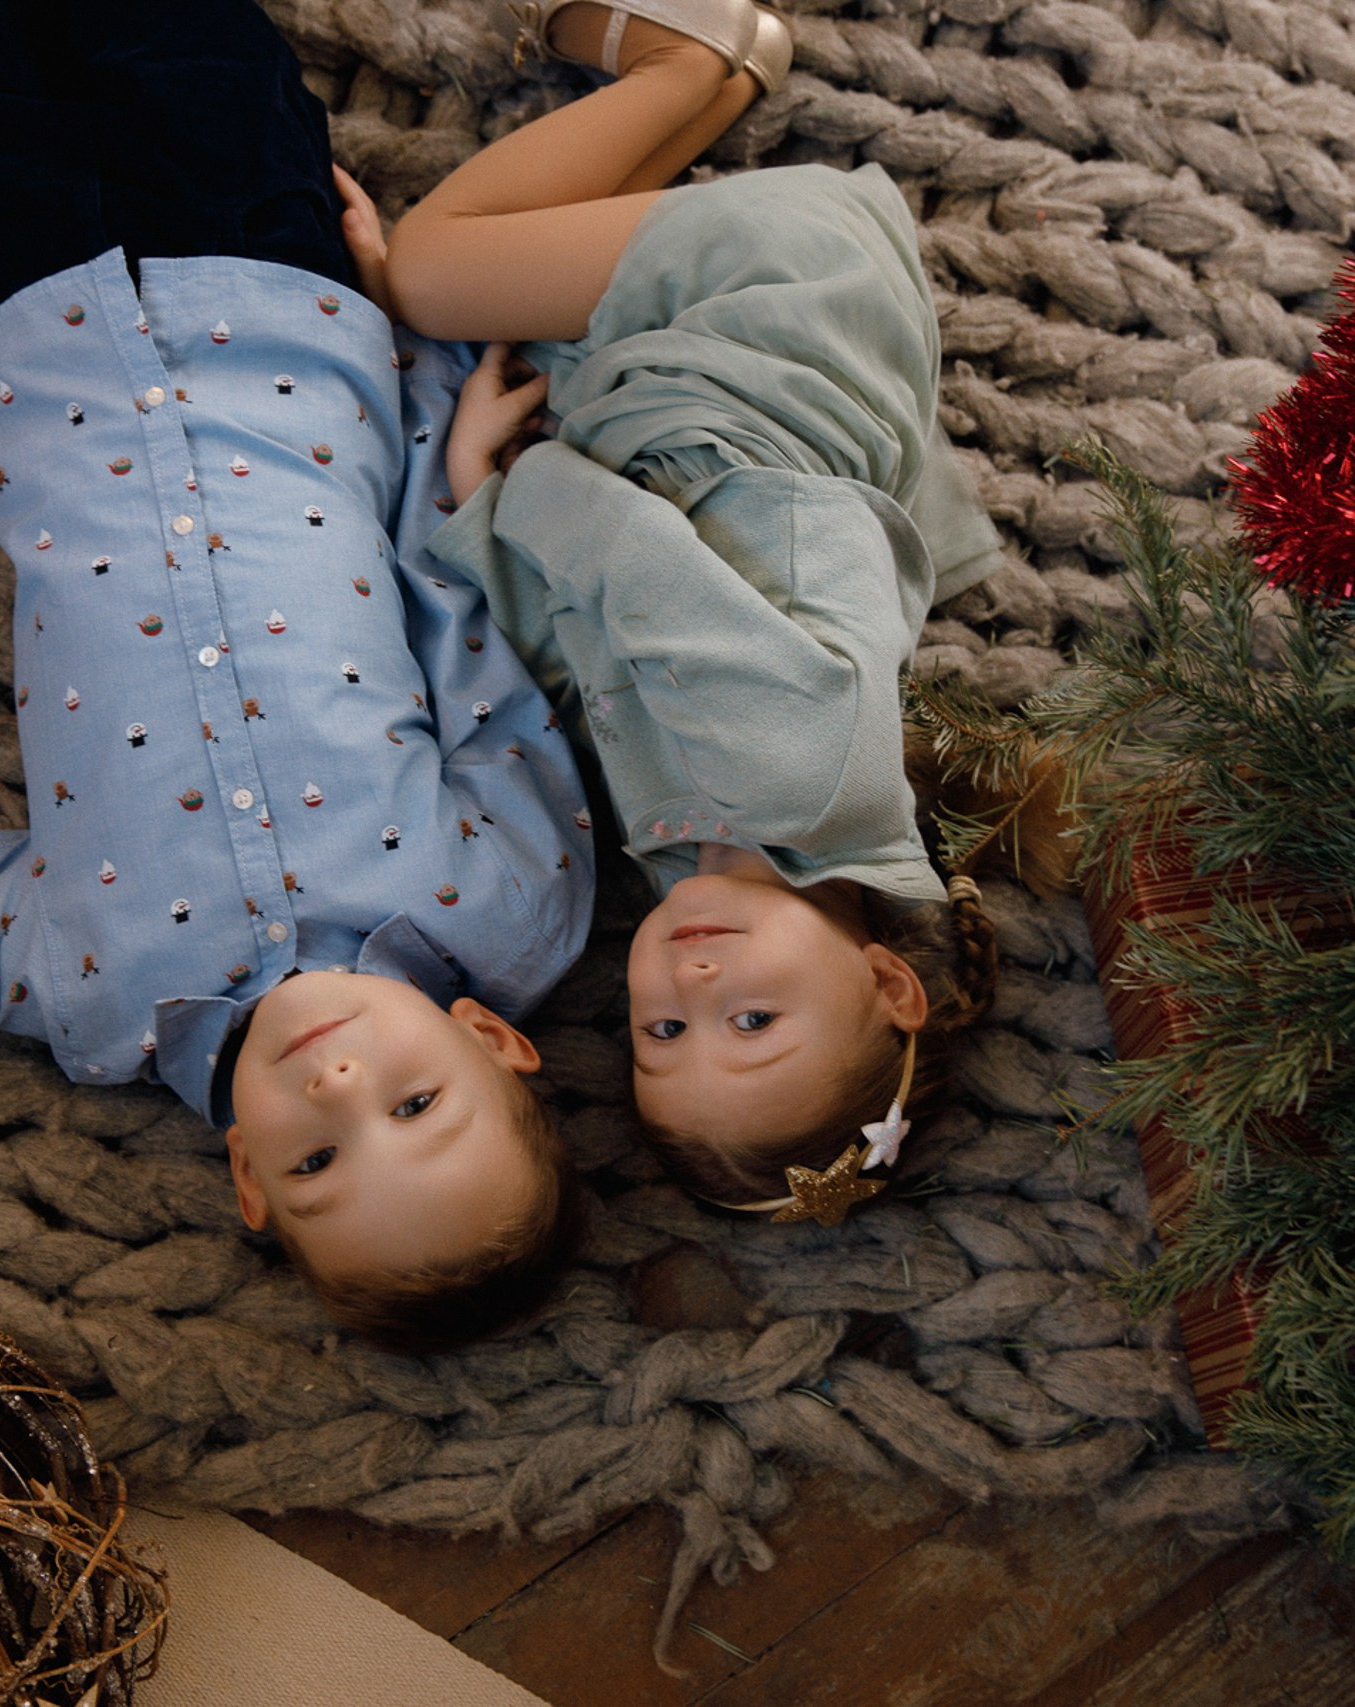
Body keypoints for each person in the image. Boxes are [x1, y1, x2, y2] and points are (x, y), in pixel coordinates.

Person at [0, 0, 597, 1353]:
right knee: (179, 33)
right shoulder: (514, 906)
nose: (336, 1083)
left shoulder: (90, 989)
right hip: (282, 295)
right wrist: (443, 413)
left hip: (38, 320)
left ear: (248, 1183)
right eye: (414, 1107)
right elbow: (474, 642)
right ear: (495, 1046)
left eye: (319, 1161)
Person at [363, 0, 1006, 1219]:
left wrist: (483, 517)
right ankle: (693, 57)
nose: (692, 978)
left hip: (736, 386)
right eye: (750, 1019)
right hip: (776, 305)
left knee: (497, 291)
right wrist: (491, 491)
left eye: (662, 1027)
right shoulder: (799, 781)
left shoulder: (694, 851)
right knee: (429, 270)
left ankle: (721, 83)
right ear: (890, 981)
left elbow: (584, 667)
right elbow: (626, 562)